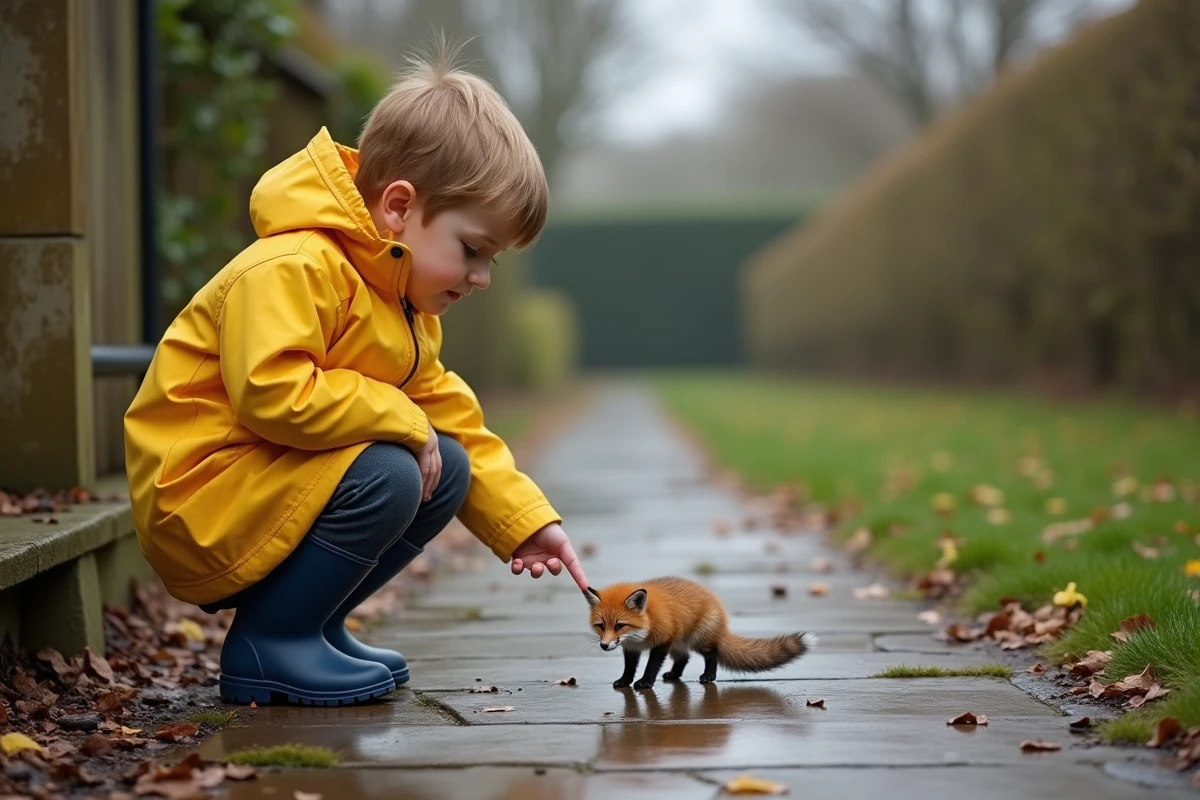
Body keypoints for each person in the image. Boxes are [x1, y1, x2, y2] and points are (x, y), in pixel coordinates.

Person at [123, 42, 589, 706]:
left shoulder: (400, 306)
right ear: (399, 208)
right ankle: (271, 642)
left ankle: (312, 624)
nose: (483, 278)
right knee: (394, 467)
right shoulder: (293, 267)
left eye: (493, 261)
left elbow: (453, 418)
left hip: (260, 486)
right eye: (473, 251)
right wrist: (402, 419)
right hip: (201, 494)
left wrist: (524, 522)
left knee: (447, 466)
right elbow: (272, 391)